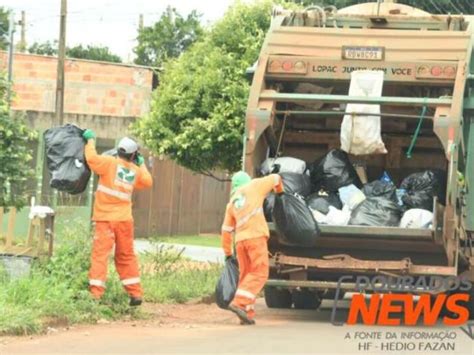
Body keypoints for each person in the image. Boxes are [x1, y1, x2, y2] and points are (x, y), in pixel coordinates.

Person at [82, 129, 153, 306]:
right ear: (133, 155)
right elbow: (148, 181)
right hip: (124, 221)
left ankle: (95, 295)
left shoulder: (108, 163)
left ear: (119, 150)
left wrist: (90, 140)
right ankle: (135, 294)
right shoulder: (135, 171)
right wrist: (142, 163)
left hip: (105, 219)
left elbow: (91, 159)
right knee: (126, 256)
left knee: (100, 255)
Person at [221, 171, 284, 325]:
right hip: (256, 238)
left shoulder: (232, 203)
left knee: (246, 276)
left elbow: (226, 230)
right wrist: (280, 195)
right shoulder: (255, 185)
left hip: (240, 242)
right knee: (260, 273)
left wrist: (228, 254)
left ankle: (247, 314)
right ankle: (239, 302)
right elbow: (276, 178)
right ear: (247, 180)